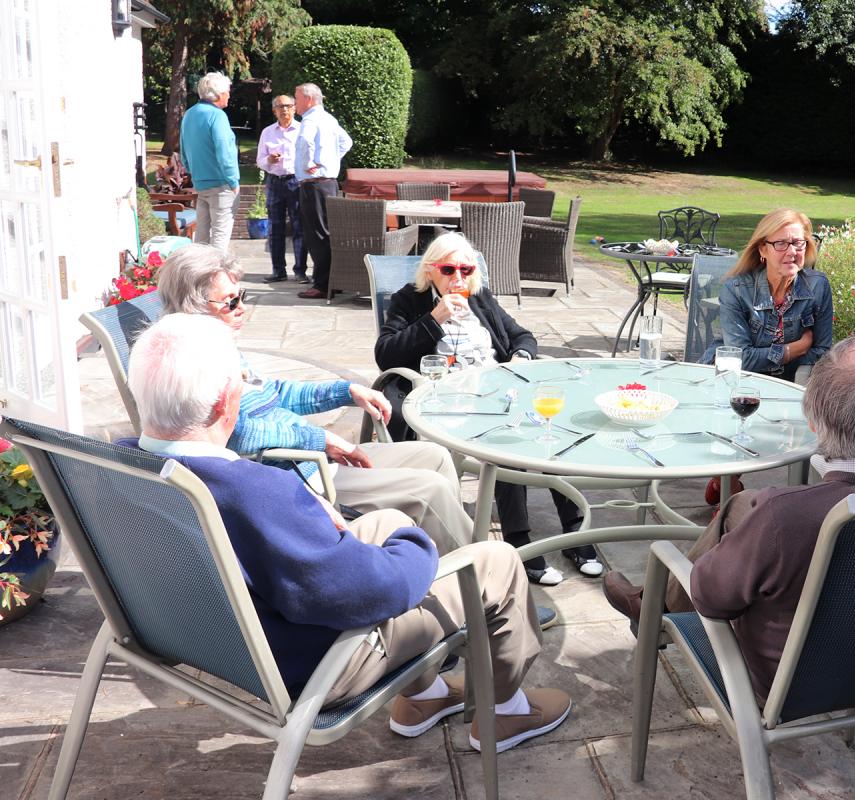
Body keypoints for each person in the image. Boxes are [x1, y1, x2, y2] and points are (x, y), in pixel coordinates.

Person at [125, 312, 571, 751]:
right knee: (496, 562)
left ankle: (424, 697)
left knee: (390, 520)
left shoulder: (115, 468)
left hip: (222, 643)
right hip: (322, 663)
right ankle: (507, 711)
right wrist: (416, 546)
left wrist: (342, 525)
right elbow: (379, 592)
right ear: (226, 402)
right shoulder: (254, 492)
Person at [603, 336, 855, 702]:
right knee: (742, 507)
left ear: (812, 423)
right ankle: (652, 599)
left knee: (738, 533)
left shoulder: (786, 515)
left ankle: (651, 604)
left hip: (794, 685)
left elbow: (712, 599)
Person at [156, 244, 472, 555]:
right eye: (230, 301)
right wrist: (319, 438)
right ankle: (481, 577)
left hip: (314, 461)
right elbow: (235, 432)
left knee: (435, 456)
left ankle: (457, 559)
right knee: (431, 490)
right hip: (302, 479)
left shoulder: (220, 346)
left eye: (243, 296)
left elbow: (273, 394)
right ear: (193, 306)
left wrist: (346, 392)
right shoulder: (193, 362)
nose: (242, 308)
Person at [374, 232, 600, 586]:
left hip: (496, 389)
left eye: (465, 269)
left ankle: (574, 531)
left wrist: (520, 356)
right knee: (506, 444)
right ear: (431, 270)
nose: (458, 278)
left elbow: (522, 335)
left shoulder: (479, 296)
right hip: (444, 398)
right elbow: (385, 354)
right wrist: (434, 317)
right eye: (449, 269)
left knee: (550, 429)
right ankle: (519, 540)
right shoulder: (410, 300)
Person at [704, 207, 833, 503]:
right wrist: (794, 348)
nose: (791, 251)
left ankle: (782, 496)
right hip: (737, 377)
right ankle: (729, 486)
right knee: (735, 405)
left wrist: (788, 362)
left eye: (798, 243)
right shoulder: (737, 289)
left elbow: (822, 351)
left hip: (790, 380)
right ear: (762, 249)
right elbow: (740, 357)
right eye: (781, 244)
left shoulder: (817, 287)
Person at [293, 83, 353, 300]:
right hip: (329, 182)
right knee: (328, 232)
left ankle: (321, 285)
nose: (295, 103)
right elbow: (347, 142)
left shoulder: (310, 119)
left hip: (314, 184)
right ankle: (331, 281)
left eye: (297, 98)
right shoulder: (329, 118)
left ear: (309, 99)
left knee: (317, 234)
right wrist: (330, 161)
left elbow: (305, 141)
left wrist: (310, 162)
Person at [179, 72, 239, 252]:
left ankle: (199, 278)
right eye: (228, 91)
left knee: (202, 238)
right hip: (221, 184)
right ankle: (215, 277)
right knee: (220, 238)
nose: (229, 94)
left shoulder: (190, 113)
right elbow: (224, 150)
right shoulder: (217, 115)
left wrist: (192, 171)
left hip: (200, 183)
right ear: (219, 94)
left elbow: (183, 148)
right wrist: (233, 180)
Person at [255, 94, 308, 283]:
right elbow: (259, 161)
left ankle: (300, 271)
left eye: (288, 106)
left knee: (299, 226)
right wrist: (269, 160)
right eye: (280, 106)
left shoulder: (303, 130)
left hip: (296, 182)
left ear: (294, 108)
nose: (284, 109)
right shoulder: (268, 132)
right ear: (274, 110)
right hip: (275, 181)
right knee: (275, 227)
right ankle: (278, 270)